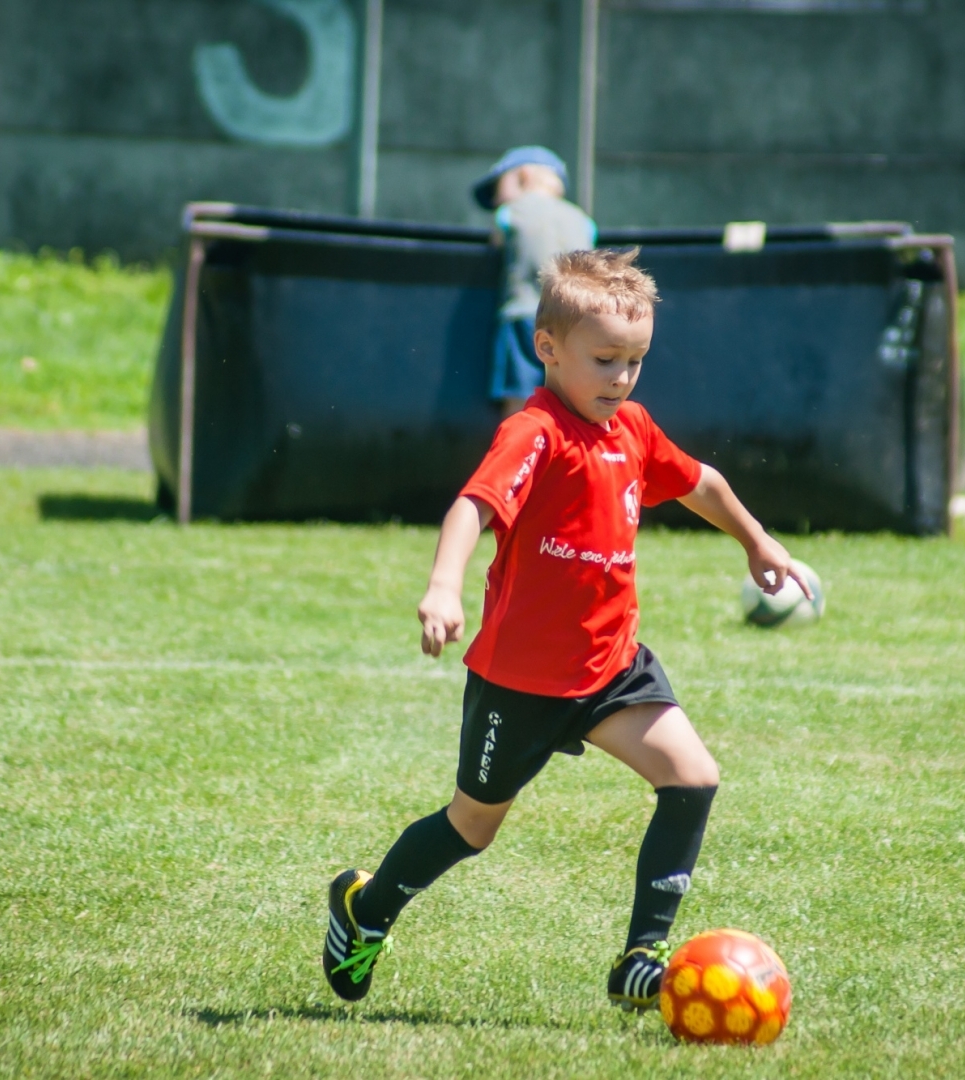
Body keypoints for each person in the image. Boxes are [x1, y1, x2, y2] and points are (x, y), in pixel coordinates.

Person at [321, 248, 814, 1012]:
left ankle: (640, 959)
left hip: (614, 666)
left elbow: (701, 482)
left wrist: (757, 540)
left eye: (636, 361)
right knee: (472, 827)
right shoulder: (535, 432)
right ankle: (366, 908)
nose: (621, 378)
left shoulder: (633, 430)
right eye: (606, 359)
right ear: (548, 349)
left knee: (693, 778)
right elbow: (471, 506)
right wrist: (443, 587)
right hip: (520, 680)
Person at [472, 145, 597, 418]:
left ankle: (518, 451)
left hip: (524, 315)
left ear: (524, 176)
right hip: (577, 322)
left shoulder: (509, 213)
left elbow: (498, 241)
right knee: (570, 399)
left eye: (497, 190)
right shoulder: (582, 220)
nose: (495, 200)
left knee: (519, 397)